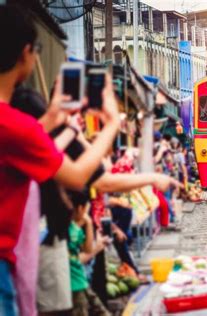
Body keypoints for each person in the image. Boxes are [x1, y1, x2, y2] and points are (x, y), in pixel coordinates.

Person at [0, 6, 119, 314]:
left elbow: (19, 142)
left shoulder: (15, 128)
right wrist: (112, 125)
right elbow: (78, 175)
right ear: (27, 53)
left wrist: (52, 118)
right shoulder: (15, 125)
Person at [68, 191, 111, 316]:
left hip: (81, 282)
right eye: (86, 211)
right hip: (74, 287)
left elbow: (87, 248)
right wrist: (96, 248)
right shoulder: (67, 231)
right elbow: (81, 256)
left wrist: (89, 224)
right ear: (80, 209)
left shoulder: (75, 229)